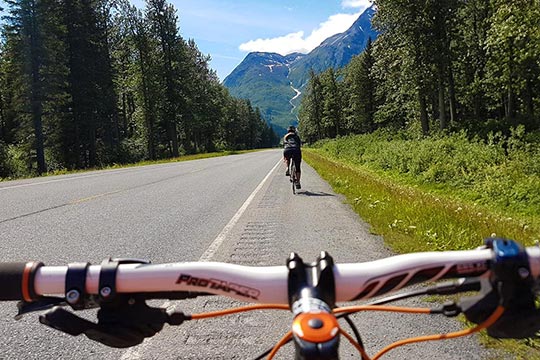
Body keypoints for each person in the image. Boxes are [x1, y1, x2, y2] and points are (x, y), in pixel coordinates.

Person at [283, 125, 302, 189]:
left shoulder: (285, 136)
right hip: (296, 150)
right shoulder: (296, 136)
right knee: (297, 166)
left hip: (287, 150)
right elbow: (299, 145)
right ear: (294, 130)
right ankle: (298, 182)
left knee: (287, 158)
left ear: (288, 131)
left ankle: (287, 168)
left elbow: (284, 144)